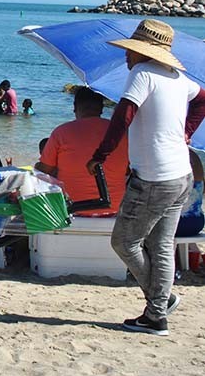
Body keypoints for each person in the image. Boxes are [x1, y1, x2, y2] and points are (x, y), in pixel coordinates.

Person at [86, 19, 205, 336]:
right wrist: (187, 133)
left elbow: (122, 116)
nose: (127, 57)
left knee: (124, 242)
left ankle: (158, 305)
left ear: (144, 53)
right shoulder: (178, 77)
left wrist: (101, 155)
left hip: (154, 179)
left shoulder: (142, 74)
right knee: (161, 246)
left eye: (131, 51)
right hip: (182, 174)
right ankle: (157, 312)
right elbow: (203, 98)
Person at [35, 87, 129, 217]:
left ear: (75, 107)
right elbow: (128, 170)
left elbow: (43, 172)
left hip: (72, 210)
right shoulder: (120, 134)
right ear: (102, 108)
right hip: (115, 211)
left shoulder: (62, 132)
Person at [176, 149, 204, 237]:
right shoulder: (197, 156)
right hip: (197, 222)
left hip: (174, 223)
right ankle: (190, 248)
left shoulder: (168, 155)